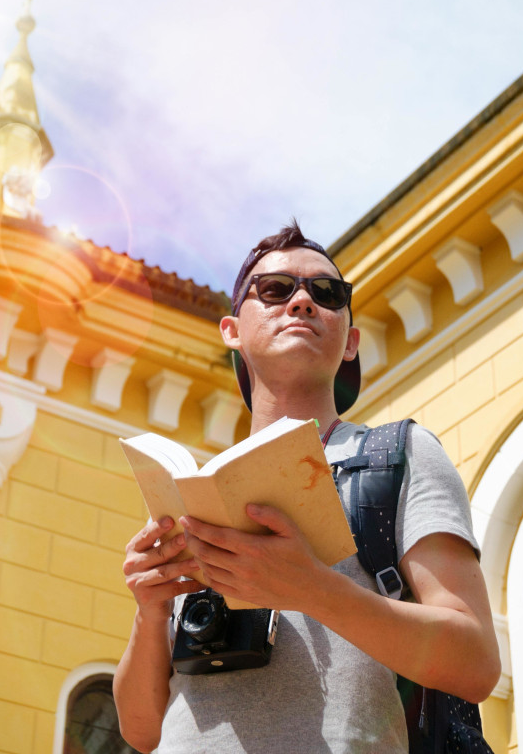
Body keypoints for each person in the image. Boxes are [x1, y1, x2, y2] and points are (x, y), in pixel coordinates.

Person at [113, 221, 500, 753]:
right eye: (274, 290)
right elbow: (143, 731)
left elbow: (475, 662)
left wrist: (310, 588)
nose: (301, 302)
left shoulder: (398, 455)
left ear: (350, 342)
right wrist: (150, 609)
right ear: (231, 330)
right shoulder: (193, 496)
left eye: (326, 293)